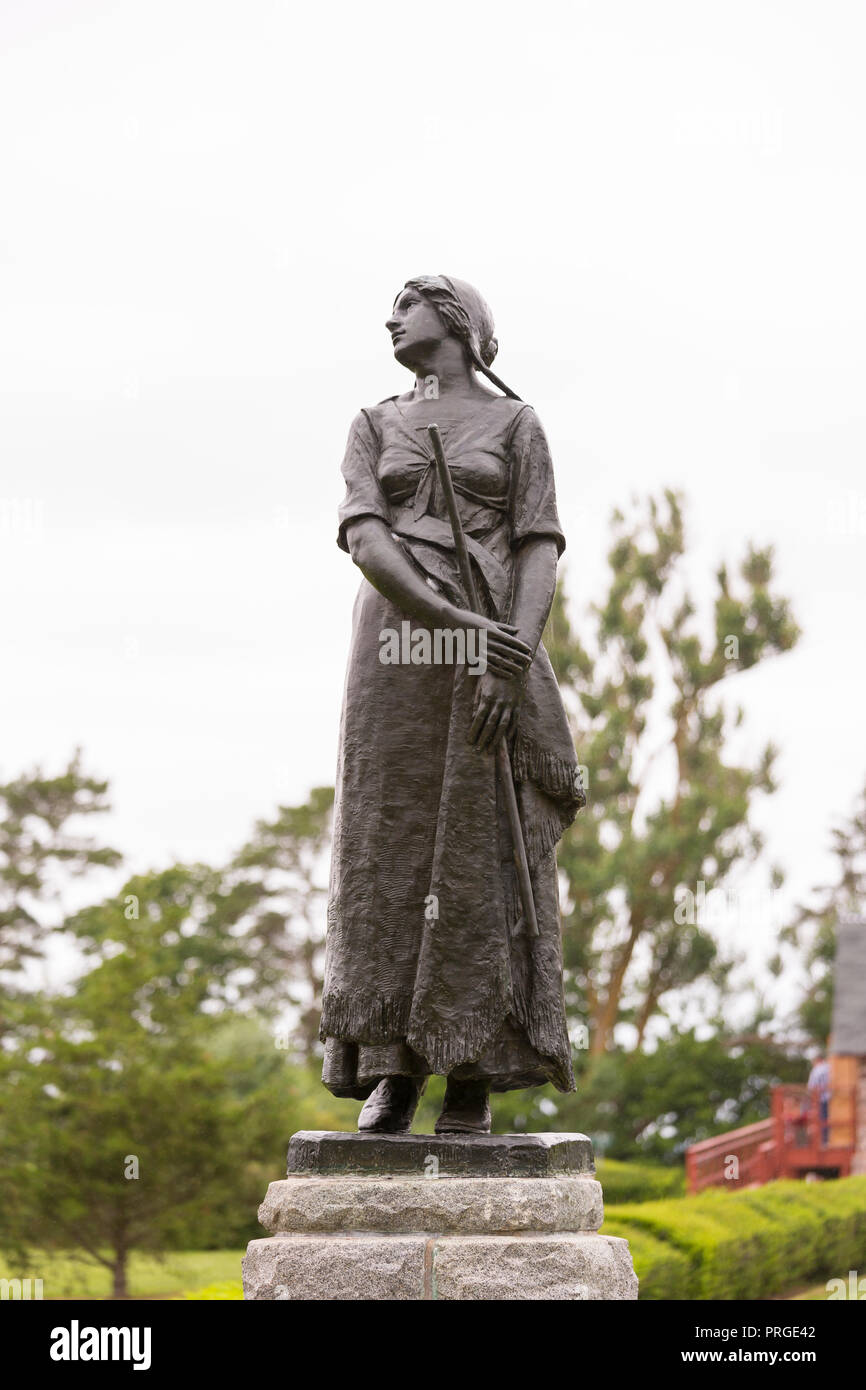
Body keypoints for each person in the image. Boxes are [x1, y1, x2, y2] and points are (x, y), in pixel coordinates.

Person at [319, 275, 585, 1134]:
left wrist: (505, 654)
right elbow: (365, 536)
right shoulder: (373, 424)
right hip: (401, 651)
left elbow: (538, 542)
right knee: (385, 846)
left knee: (481, 851)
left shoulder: (517, 425)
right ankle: (390, 1068)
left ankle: (474, 1070)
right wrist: (459, 624)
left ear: (458, 320)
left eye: (408, 302)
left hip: (495, 654)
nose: (390, 317)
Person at [807, 1054, 831, 1146]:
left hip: (819, 1099)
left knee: (820, 1119)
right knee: (827, 1119)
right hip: (829, 1097)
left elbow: (811, 1086)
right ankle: (826, 1140)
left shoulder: (816, 1070)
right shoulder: (829, 1067)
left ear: (817, 1060)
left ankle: (823, 1141)